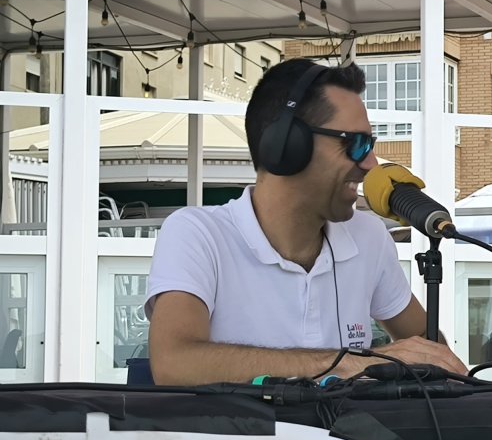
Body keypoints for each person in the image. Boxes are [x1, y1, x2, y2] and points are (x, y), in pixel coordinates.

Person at [145, 59, 467, 385]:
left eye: (370, 145)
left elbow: (432, 355)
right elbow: (174, 364)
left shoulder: (368, 237)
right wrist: (350, 365)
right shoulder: (197, 233)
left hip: (351, 438)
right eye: (355, 144)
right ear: (288, 146)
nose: (370, 163)